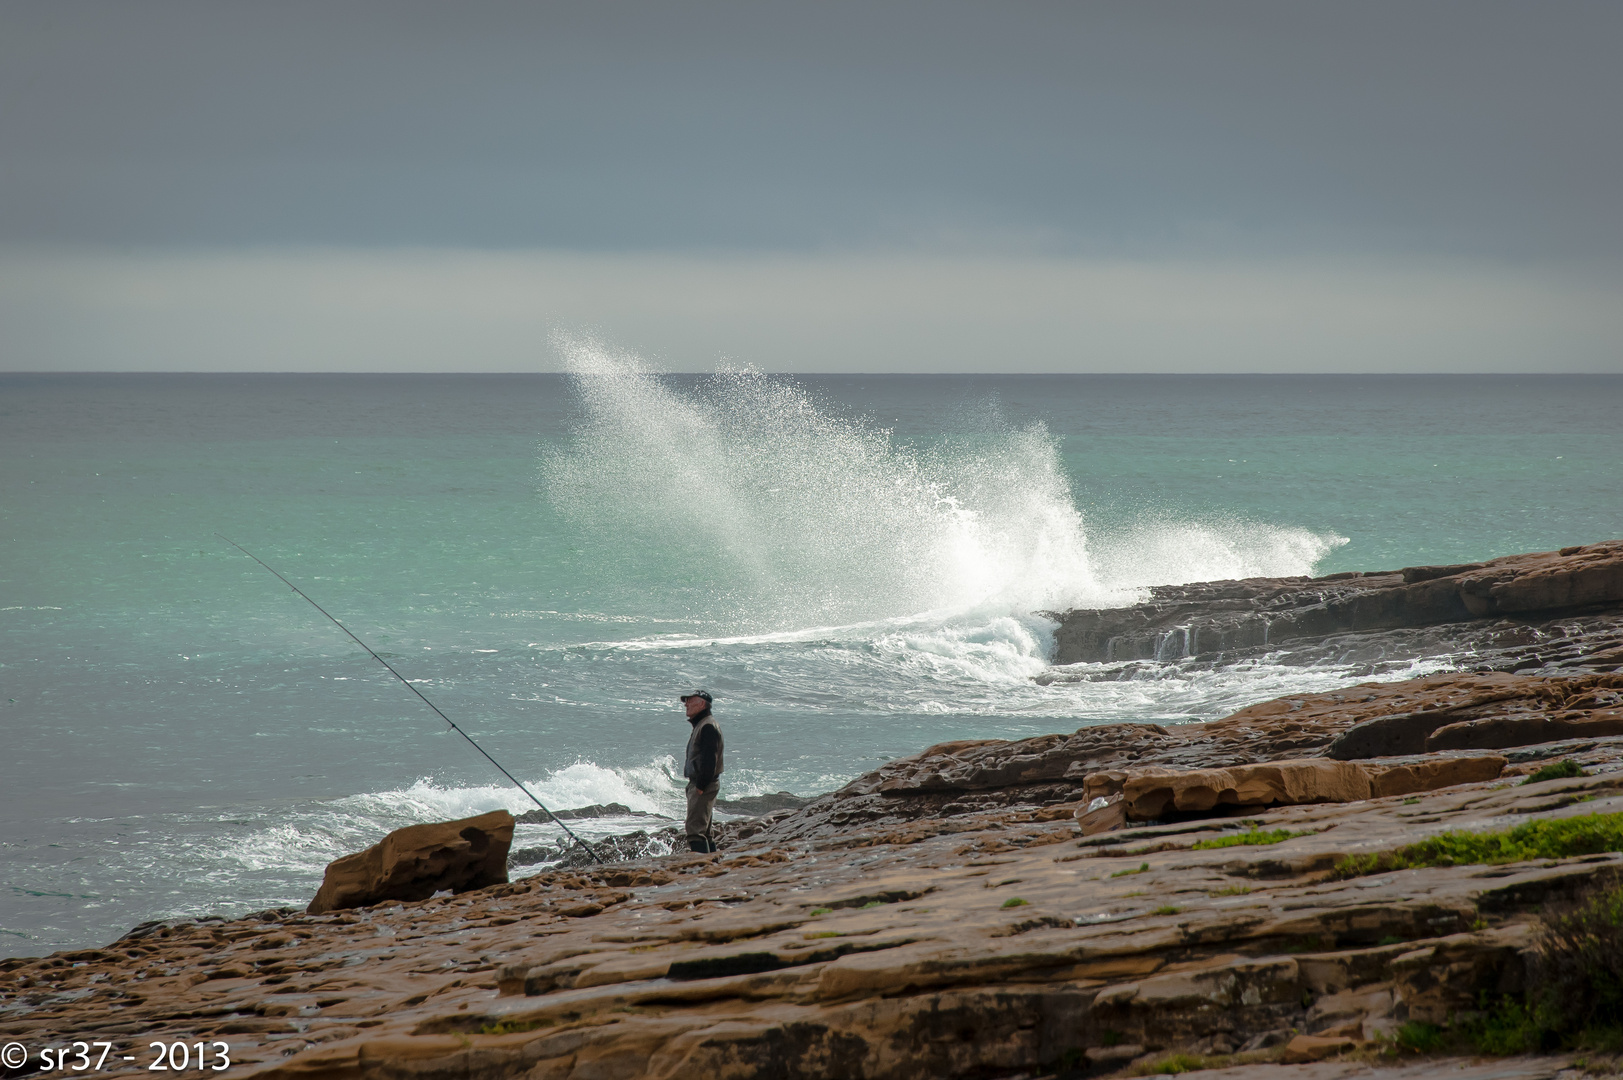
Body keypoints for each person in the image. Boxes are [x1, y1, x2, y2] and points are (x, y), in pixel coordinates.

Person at [679, 690, 723, 853]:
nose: (686, 704)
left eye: (690, 701)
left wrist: (701, 786)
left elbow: (709, 760)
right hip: (704, 784)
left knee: (695, 831)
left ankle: (703, 868)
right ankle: (713, 865)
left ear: (702, 704)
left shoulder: (707, 726)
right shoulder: (705, 724)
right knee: (705, 832)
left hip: (704, 784)